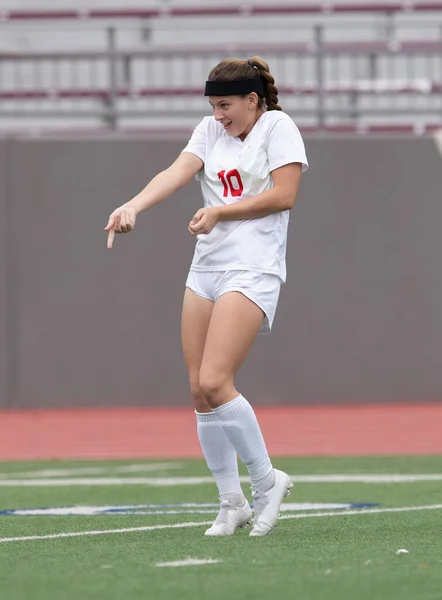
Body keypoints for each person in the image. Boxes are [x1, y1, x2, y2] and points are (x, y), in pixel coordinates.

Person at [104, 56, 309, 537]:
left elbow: (285, 195)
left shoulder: (278, 127)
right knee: (199, 390)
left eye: (226, 105)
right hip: (207, 268)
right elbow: (176, 172)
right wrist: (132, 205)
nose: (218, 115)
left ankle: (267, 481)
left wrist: (221, 213)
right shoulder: (209, 130)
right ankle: (230, 502)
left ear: (253, 100)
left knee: (218, 381)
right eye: (213, 106)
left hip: (253, 267)